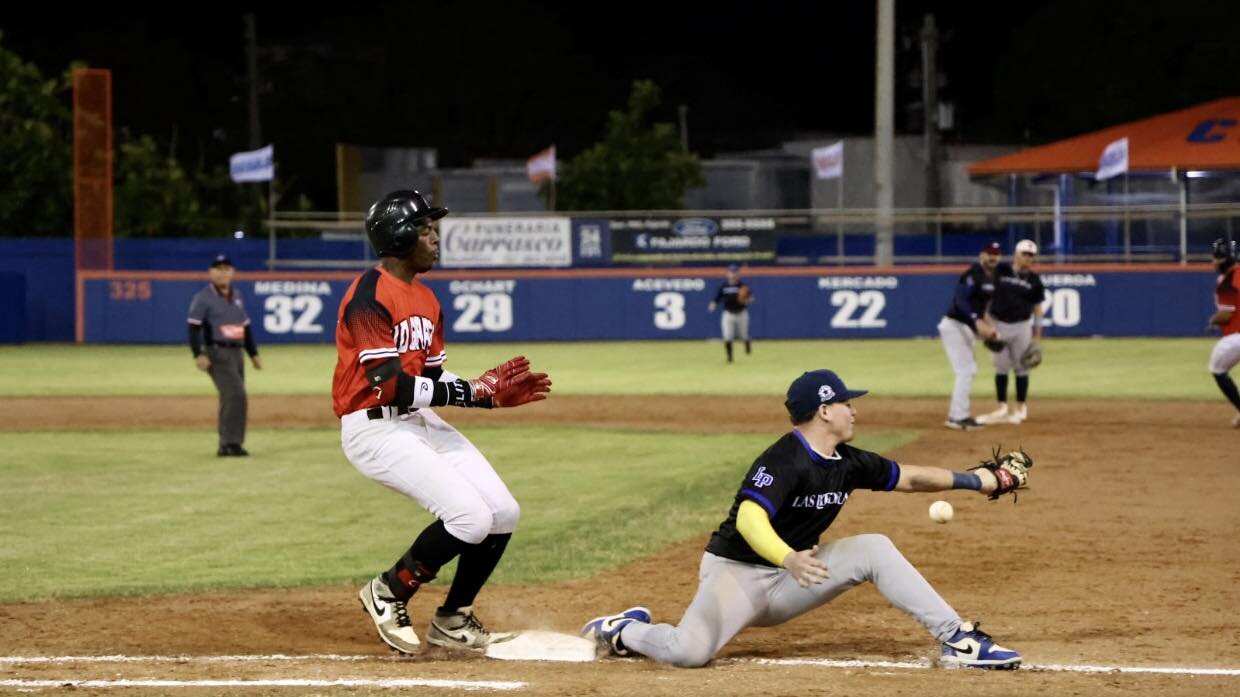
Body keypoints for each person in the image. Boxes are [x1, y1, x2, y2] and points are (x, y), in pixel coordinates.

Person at [581, 369, 1029, 670]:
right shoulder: (784, 459)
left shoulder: (847, 461)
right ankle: (623, 630)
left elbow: (910, 477)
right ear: (824, 410)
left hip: (792, 579)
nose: (855, 410)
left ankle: (956, 639)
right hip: (737, 575)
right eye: (847, 403)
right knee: (689, 652)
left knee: (873, 548)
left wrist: (978, 481)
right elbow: (750, 519)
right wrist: (788, 558)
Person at [333, 189, 552, 655]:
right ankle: (388, 590)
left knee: (503, 513)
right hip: (372, 427)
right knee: (469, 517)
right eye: (425, 229)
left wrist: (486, 397)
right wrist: (473, 392)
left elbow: (430, 378)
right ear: (399, 235)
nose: (435, 237)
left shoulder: (427, 298)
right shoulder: (368, 296)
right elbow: (392, 386)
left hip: (416, 420)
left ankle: (453, 618)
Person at [187, 253, 261, 456]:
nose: (223, 273)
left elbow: (245, 327)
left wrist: (253, 353)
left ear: (232, 272)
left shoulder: (237, 296)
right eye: (218, 269)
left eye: (226, 269)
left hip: (237, 352)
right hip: (217, 352)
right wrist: (198, 354)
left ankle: (233, 443)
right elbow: (193, 328)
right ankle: (228, 444)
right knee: (235, 394)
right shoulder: (203, 297)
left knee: (233, 397)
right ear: (211, 272)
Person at [976, 239, 1046, 425]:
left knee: (1022, 367)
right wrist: (986, 323)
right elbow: (985, 295)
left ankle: (1021, 408)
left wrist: (1037, 337)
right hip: (998, 325)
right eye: (1025, 254)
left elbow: (1038, 309)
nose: (1028, 258)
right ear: (1016, 254)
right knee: (1001, 367)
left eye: (1031, 255)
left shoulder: (1034, 280)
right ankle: (1002, 408)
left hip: (1022, 327)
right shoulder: (1000, 271)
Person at [938, 242, 1004, 430]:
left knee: (968, 370)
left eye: (996, 254)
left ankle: (958, 415)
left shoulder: (993, 278)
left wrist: (990, 330)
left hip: (965, 327)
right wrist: (976, 321)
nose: (993, 257)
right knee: (966, 370)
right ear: (982, 255)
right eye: (989, 253)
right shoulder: (972, 274)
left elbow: (982, 310)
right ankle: (957, 417)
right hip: (954, 325)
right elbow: (961, 302)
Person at [1206, 238, 1240, 428]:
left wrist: (1212, 320)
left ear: (1224, 260)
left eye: (1216, 258)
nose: (1213, 262)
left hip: (1237, 336)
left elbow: (1226, 315)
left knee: (1217, 368)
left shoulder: (1227, 281)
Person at [708, 264, 753, 363]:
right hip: (728, 313)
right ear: (727, 274)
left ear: (738, 274)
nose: (733, 274)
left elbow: (751, 298)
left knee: (743, 335)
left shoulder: (742, 286)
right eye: (731, 272)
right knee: (727, 336)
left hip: (741, 313)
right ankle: (730, 357)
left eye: (735, 272)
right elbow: (717, 298)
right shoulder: (724, 286)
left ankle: (747, 343)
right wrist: (713, 304)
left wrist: (747, 300)